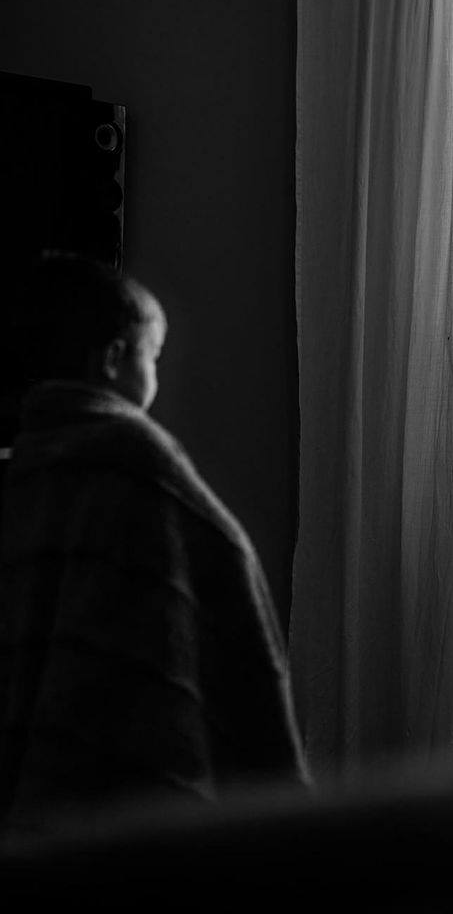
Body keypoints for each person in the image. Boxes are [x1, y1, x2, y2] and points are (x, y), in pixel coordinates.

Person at [0, 253, 310, 841]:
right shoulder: (135, 459)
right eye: (153, 358)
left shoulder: (25, 463)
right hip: (118, 790)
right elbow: (224, 582)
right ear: (115, 360)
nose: (157, 378)